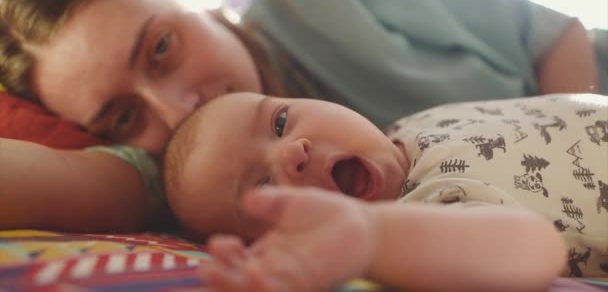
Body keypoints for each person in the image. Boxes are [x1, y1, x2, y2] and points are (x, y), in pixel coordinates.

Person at [0, 0, 603, 232]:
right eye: (123, 117)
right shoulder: (191, 181)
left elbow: (553, 35)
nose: (178, 108)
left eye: (161, 48)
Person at [163, 92, 608, 291]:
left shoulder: (407, 126)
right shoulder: (428, 222)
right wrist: (371, 238)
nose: (291, 154)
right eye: (263, 186)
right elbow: (533, 249)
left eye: (280, 122)